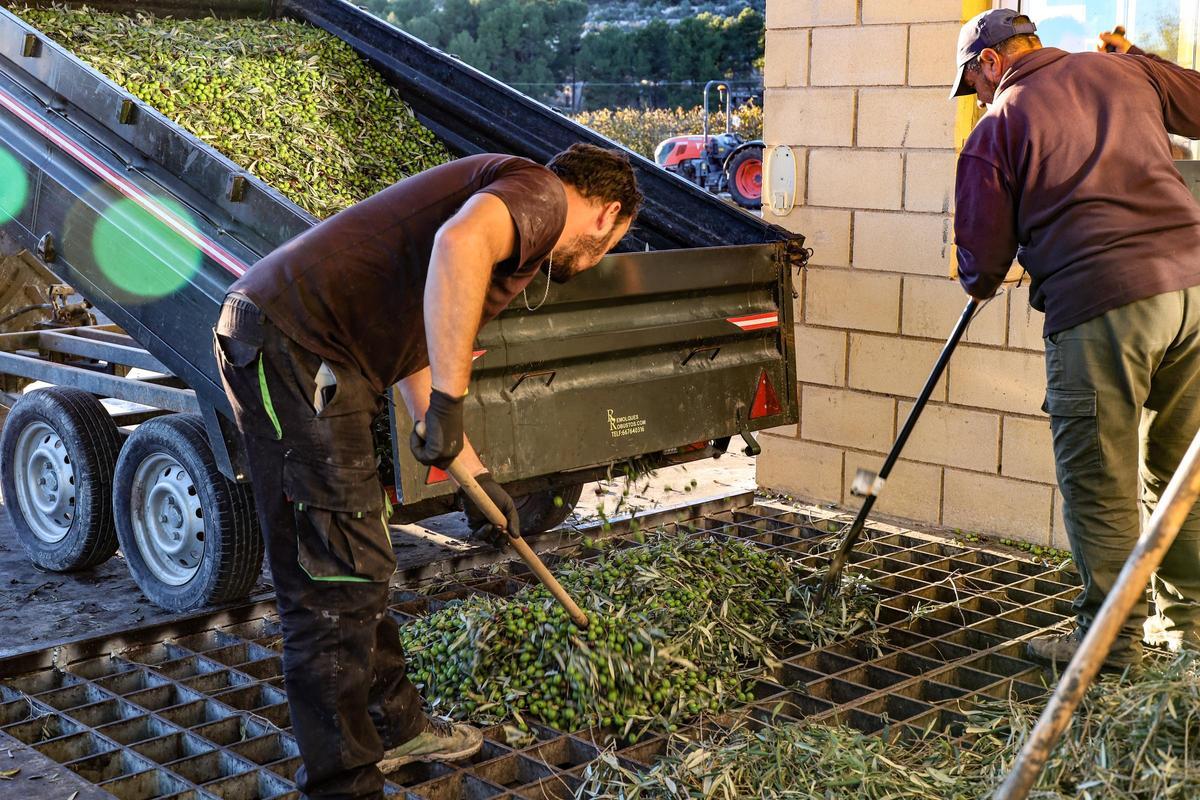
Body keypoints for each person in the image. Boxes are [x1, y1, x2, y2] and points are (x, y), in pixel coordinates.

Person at [212, 144, 642, 799]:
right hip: (293, 345)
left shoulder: (516, 201)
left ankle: (395, 726)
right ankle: (345, 785)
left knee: (359, 557)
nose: (600, 257)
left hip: (323, 354)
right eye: (614, 242)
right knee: (331, 578)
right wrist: (449, 400)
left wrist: (472, 469)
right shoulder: (543, 198)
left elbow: (417, 331)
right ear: (608, 212)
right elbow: (457, 245)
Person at [949, 9, 1200, 670]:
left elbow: (980, 263)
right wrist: (1142, 61)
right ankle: (1186, 638)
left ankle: (1110, 643)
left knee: (1100, 475)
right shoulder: (1126, 70)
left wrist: (980, 278)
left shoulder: (997, 124)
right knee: (1179, 475)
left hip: (1102, 302)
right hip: (1194, 290)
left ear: (991, 61)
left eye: (972, 81)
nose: (976, 95)